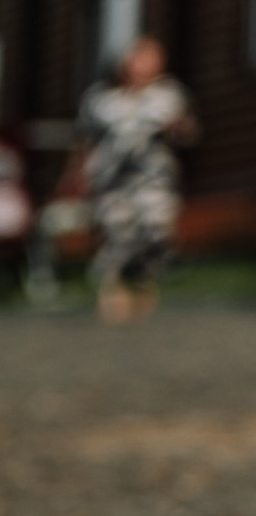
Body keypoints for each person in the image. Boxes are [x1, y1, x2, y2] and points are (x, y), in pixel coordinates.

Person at [76, 32, 197, 323]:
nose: (141, 66)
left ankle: (144, 292)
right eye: (137, 58)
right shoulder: (99, 98)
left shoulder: (169, 94)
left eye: (150, 59)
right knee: (117, 231)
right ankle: (112, 293)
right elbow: (84, 139)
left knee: (153, 230)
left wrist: (178, 127)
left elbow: (189, 133)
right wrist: (77, 175)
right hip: (110, 177)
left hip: (154, 178)